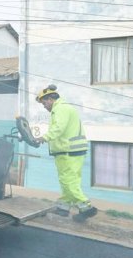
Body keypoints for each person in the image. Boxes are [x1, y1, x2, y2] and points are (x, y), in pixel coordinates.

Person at [35, 85, 97, 221]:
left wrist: (43, 138)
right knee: (68, 181)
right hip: (72, 151)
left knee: (69, 181)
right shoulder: (65, 108)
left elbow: (59, 128)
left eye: (44, 103)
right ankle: (63, 208)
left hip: (68, 151)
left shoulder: (60, 109)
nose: (44, 106)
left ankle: (86, 208)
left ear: (51, 99)